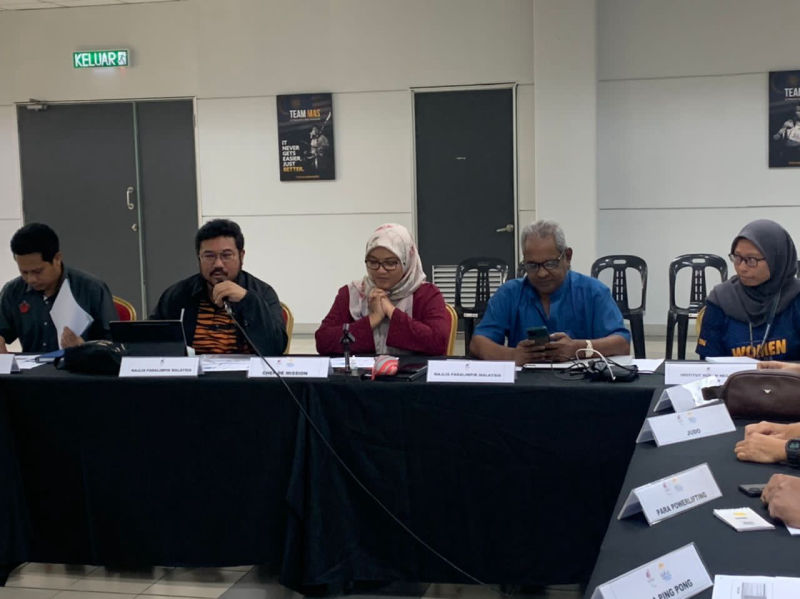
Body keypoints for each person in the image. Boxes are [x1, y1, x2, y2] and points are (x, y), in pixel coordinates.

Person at [469, 220, 630, 366]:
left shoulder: (593, 292)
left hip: (581, 384)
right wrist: (512, 355)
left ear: (567, 257)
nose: (542, 274)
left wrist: (578, 349)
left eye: (550, 264)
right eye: (532, 265)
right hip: (525, 384)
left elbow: (622, 344)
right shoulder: (509, 293)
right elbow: (478, 343)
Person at [151, 219, 286, 355]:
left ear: (241, 256)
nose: (218, 264)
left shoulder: (263, 293)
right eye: (209, 256)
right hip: (193, 369)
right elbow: (150, 343)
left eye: (226, 255)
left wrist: (247, 300)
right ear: (199, 258)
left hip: (245, 369)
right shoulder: (178, 295)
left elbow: (276, 349)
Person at [315, 223, 450, 356]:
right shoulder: (353, 294)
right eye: (373, 262)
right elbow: (323, 341)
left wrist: (391, 311)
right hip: (362, 371)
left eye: (390, 263)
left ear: (407, 261)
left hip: (412, 370)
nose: (381, 270)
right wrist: (373, 319)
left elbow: (438, 343)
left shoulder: (427, 294)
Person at [0, 222, 117, 353]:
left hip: (81, 364)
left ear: (57, 258)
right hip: (31, 365)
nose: (31, 279)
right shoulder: (13, 291)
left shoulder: (92, 289)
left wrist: (85, 347)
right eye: (24, 272)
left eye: (37, 271)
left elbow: (115, 345)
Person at [696, 219, 800, 360]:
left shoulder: (796, 298)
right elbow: (708, 363)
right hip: (733, 375)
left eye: (751, 260)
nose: (742, 268)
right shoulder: (720, 300)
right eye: (737, 258)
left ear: (776, 259)